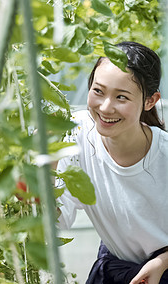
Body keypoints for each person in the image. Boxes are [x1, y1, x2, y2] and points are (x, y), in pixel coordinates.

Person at [56, 41, 168, 284]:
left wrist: (162, 262)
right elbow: (54, 221)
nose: (106, 107)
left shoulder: (164, 157)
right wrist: (47, 165)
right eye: (98, 91)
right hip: (115, 269)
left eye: (121, 97)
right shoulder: (75, 133)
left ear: (150, 101)